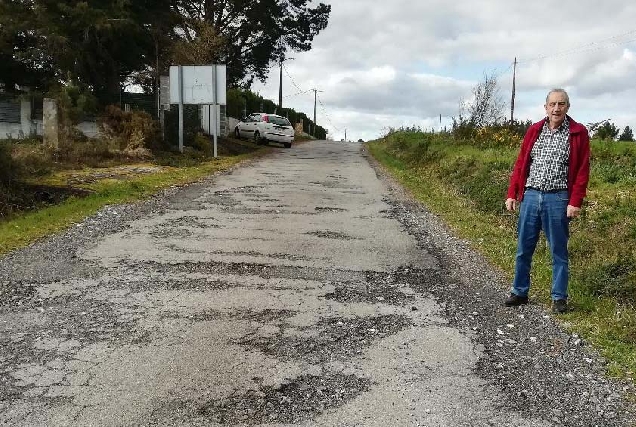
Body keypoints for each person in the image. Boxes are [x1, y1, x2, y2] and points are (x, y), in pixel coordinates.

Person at [504, 88, 590, 313]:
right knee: (524, 248)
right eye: (552, 104)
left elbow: (582, 170)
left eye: (561, 104)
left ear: (567, 107)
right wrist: (512, 193)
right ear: (545, 107)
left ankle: (559, 297)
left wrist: (575, 201)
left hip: (558, 197)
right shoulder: (534, 130)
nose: (556, 108)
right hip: (531, 195)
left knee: (558, 251)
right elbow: (521, 164)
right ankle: (519, 291)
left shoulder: (578, 133)